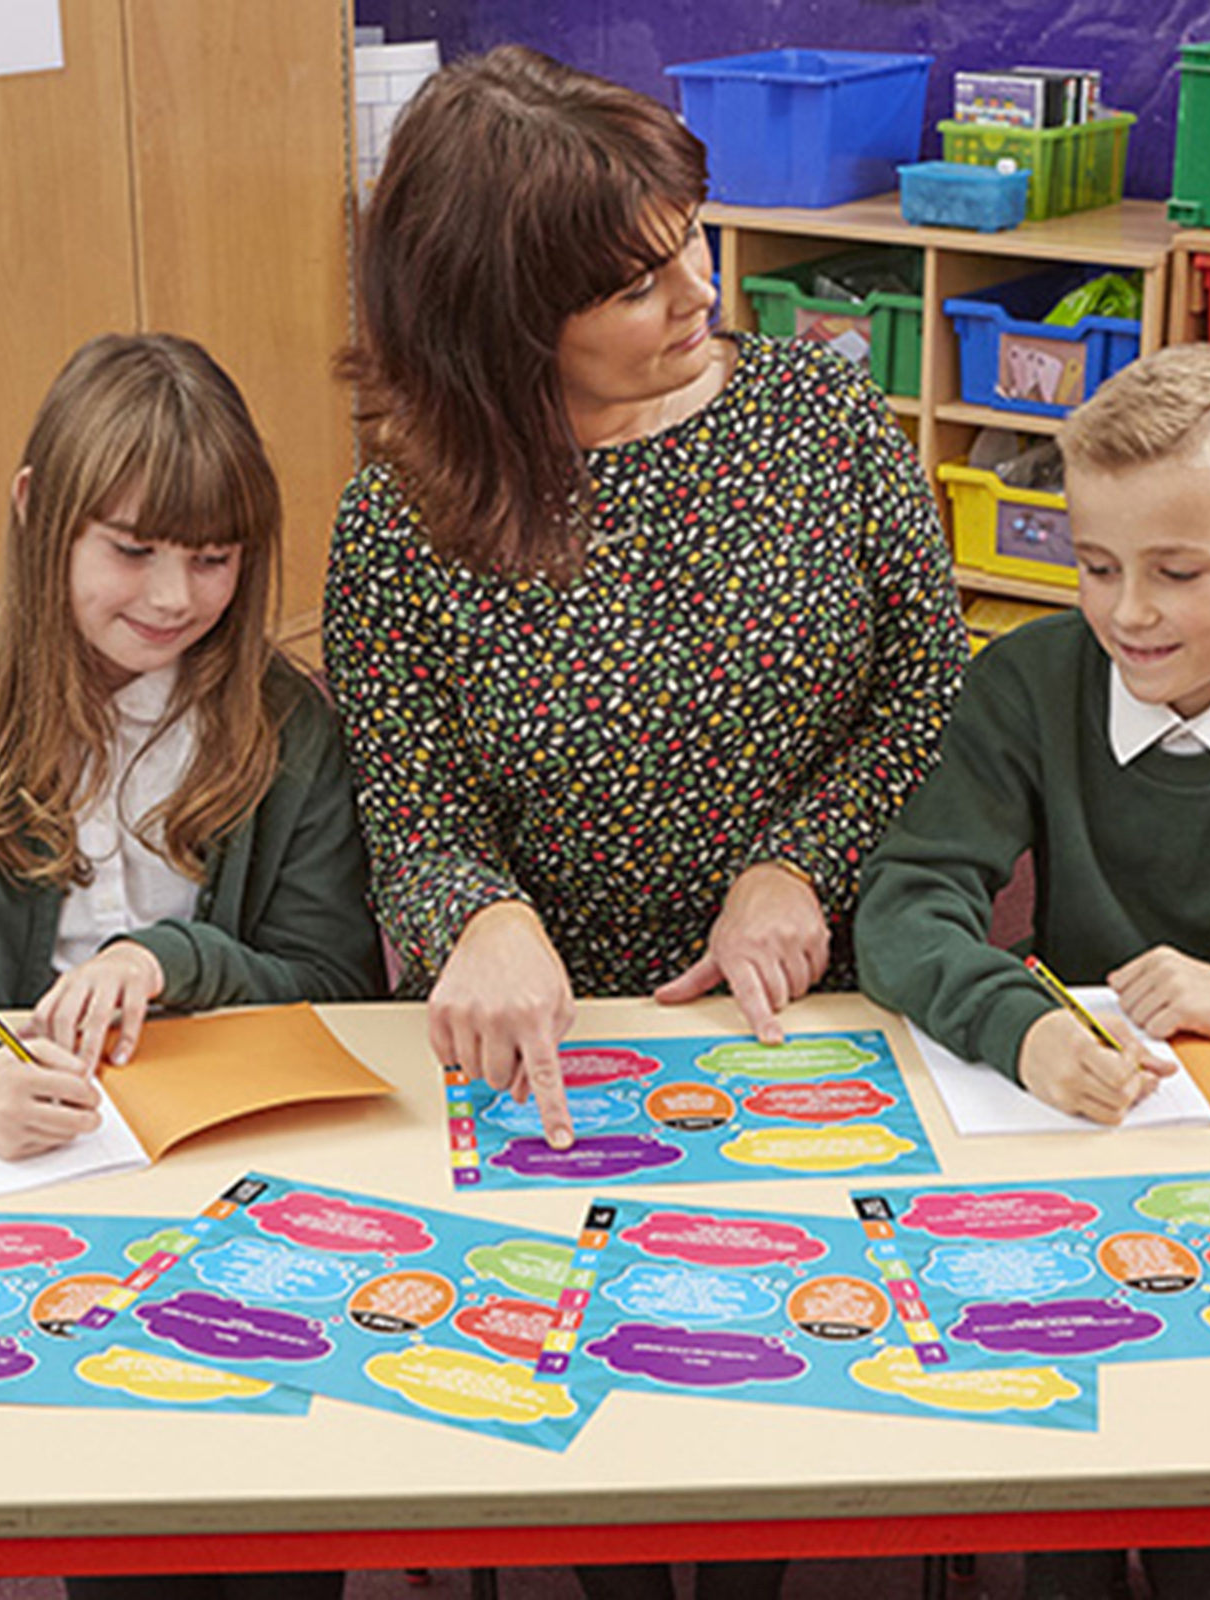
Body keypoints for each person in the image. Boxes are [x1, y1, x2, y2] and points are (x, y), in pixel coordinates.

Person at [856, 340, 1210, 1599]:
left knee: (1203, 1451)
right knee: (1062, 1449)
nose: (1127, 613)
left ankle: (1202, 1555)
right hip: (1068, 1130)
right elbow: (904, 904)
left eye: (1176, 572)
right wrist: (1019, 1023)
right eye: (1095, 565)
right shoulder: (1025, 684)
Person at [324, 45, 967, 1166]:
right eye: (636, 289)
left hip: (817, 1010)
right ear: (505, 321)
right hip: (551, 1048)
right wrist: (482, 917)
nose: (700, 292)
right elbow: (414, 811)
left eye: (691, 238)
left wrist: (800, 864)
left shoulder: (821, 415)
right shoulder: (399, 522)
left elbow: (931, 694)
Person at [0, 331, 383, 1165]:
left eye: (212, 559)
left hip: (226, 1142)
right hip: (1, 1153)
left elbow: (338, 982)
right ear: (37, 508)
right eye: (132, 551)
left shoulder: (288, 725)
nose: (172, 598)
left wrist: (172, 962)